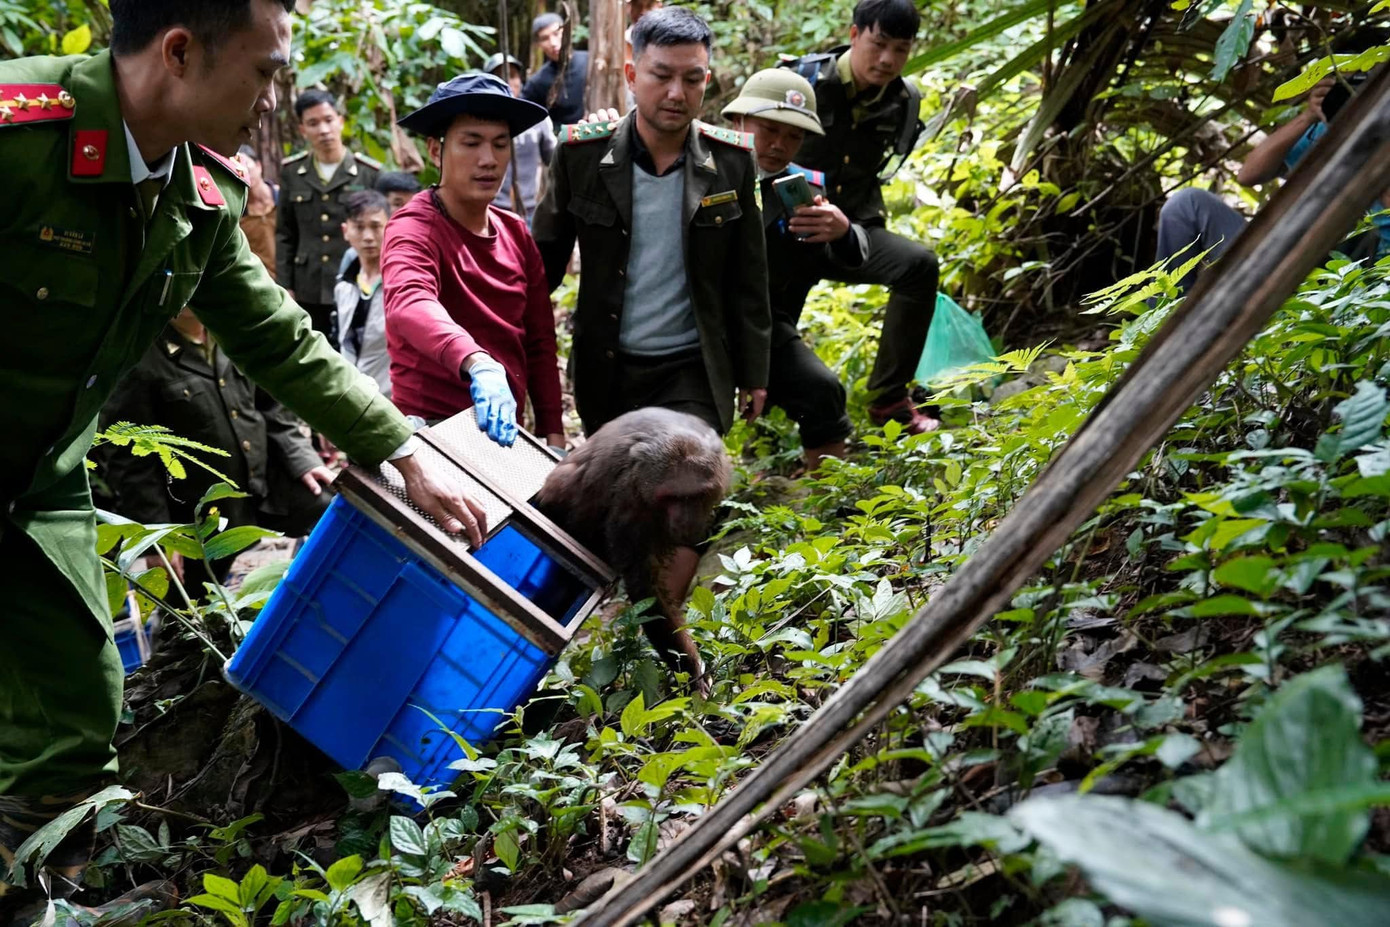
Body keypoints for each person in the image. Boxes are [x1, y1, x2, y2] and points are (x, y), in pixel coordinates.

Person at [0, 3, 485, 919]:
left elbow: (278, 338)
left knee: (76, 702)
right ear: (180, 53)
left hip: (39, 474)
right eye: (264, 74)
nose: (273, 102)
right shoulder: (22, 134)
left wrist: (400, 450)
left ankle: (43, 896)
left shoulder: (197, 195)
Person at [532, 6, 772, 440]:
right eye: (661, 76)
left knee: (685, 474)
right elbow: (542, 263)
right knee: (617, 492)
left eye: (692, 79)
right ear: (631, 75)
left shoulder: (733, 162)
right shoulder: (581, 155)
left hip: (692, 366)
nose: (676, 93)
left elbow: (748, 275)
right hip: (607, 366)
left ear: (707, 81)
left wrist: (754, 371)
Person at [782, 0, 941, 434]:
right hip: (785, 236)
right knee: (772, 335)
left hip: (854, 235)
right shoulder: (801, 82)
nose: (888, 59)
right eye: (879, 44)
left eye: (901, 49)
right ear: (854, 36)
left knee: (919, 265)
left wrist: (846, 230)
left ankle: (889, 400)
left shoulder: (904, 101)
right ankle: (761, 400)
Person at [384, 73, 566, 452]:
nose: (488, 160)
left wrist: (553, 433)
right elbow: (409, 303)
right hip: (430, 436)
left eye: (501, 145)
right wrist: (478, 363)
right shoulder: (414, 226)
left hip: (504, 438)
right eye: (471, 143)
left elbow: (539, 341)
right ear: (436, 151)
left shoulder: (515, 232)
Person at [99, 307, 335, 590]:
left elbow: (271, 404)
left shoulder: (231, 329)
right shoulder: (139, 355)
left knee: (328, 508)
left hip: (263, 485)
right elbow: (131, 461)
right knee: (197, 605)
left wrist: (302, 459)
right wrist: (157, 537)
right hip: (201, 514)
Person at [723, 69, 866, 471]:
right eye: (768, 130)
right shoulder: (701, 170)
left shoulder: (803, 190)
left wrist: (841, 233)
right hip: (695, 319)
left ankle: (825, 502)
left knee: (821, 389)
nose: (779, 145)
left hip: (765, 323)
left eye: (793, 136)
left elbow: (845, 258)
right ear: (738, 122)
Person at [1155, 73, 1389, 292]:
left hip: (1348, 280)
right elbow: (1248, 174)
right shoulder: (1326, 131)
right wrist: (1310, 114)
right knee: (1186, 204)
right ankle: (1159, 321)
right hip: (1276, 258)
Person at [276, 88, 382, 348]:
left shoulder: (367, 174)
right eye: (313, 123)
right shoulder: (292, 172)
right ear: (302, 130)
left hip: (353, 281)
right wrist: (285, 285)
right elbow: (285, 233)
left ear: (340, 121)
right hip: (307, 285)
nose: (323, 130)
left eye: (328, 120)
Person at [486, 52, 556, 223]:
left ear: (520, 80)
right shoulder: (482, 122)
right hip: (492, 209)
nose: (508, 82)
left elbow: (553, 158)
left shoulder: (537, 118)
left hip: (530, 210)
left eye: (512, 76)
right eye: (500, 77)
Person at [335, 190, 392, 398]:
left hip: (395, 401)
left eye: (376, 227)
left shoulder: (400, 285)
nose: (368, 237)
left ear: (390, 227)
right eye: (359, 227)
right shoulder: (344, 285)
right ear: (345, 231)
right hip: (353, 397)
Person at [522, 12, 589, 127]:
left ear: (567, 32)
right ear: (538, 44)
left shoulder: (590, 61)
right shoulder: (538, 82)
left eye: (556, 33)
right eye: (545, 38)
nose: (553, 43)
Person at [236, 144, 279, 278]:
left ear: (259, 166)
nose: (245, 174)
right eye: (238, 170)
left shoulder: (282, 199)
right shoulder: (238, 213)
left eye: (247, 166)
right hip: (260, 281)